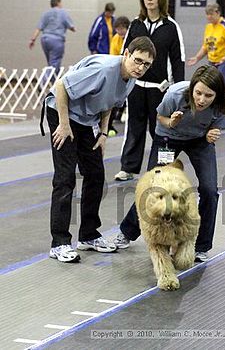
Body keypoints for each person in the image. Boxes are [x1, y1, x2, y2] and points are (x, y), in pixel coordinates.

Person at [45, 36, 156, 263]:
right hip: (62, 112)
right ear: (126, 54)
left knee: (96, 175)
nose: (140, 67)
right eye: (137, 60)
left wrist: (103, 133)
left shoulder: (131, 78)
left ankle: (88, 236)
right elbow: (61, 86)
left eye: (146, 65)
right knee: (65, 178)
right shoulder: (104, 70)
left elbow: (110, 104)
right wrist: (64, 125)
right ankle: (59, 243)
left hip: (88, 121)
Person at [114, 65, 225, 263]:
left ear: (216, 95)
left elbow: (216, 129)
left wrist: (212, 135)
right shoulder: (175, 94)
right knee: (153, 187)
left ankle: (201, 246)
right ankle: (127, 232)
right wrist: (171, 122)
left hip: (199, 141)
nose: (202, 100)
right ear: (192, 88)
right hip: (168, 138)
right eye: (198, 93)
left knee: (210, 190)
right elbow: (160, 117)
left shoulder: (222, 105)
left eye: (208, 96)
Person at [114, 0, 185, 181]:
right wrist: (121, 81)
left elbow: (178, 60)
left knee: (161, 131)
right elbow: (124, 54)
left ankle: (165, 168)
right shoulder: (135, 25)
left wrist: (178, 91)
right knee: (134, 129)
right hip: (135, 88)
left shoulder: (171, 27)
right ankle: (127, 168)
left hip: (160, 90)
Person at [187, 3, 225, 129]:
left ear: (218, 13)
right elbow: (206, 46)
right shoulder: (209, 27)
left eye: (211, 14)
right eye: (207, 14)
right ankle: (212, 119)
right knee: (210, 91)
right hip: (213, 62)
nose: (209, 17)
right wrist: (197, 58)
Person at [29, 0, 75, 76]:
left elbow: (39, 28)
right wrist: (72, 28)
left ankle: (54, 83)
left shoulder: (45, 13)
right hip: (56, 40)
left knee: (51, 62)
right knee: (54, 63)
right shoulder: (63, 13)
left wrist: (32, 40)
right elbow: (72, 27)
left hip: (45, 39)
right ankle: (42, 83)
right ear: (58, 3)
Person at [108, 16, 131, 136]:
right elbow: (113, 56)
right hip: (119, 71)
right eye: (117, 29)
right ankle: (109, 124)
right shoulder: (115, 39)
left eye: (122, 28)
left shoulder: (132, 38)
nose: (119, 31)